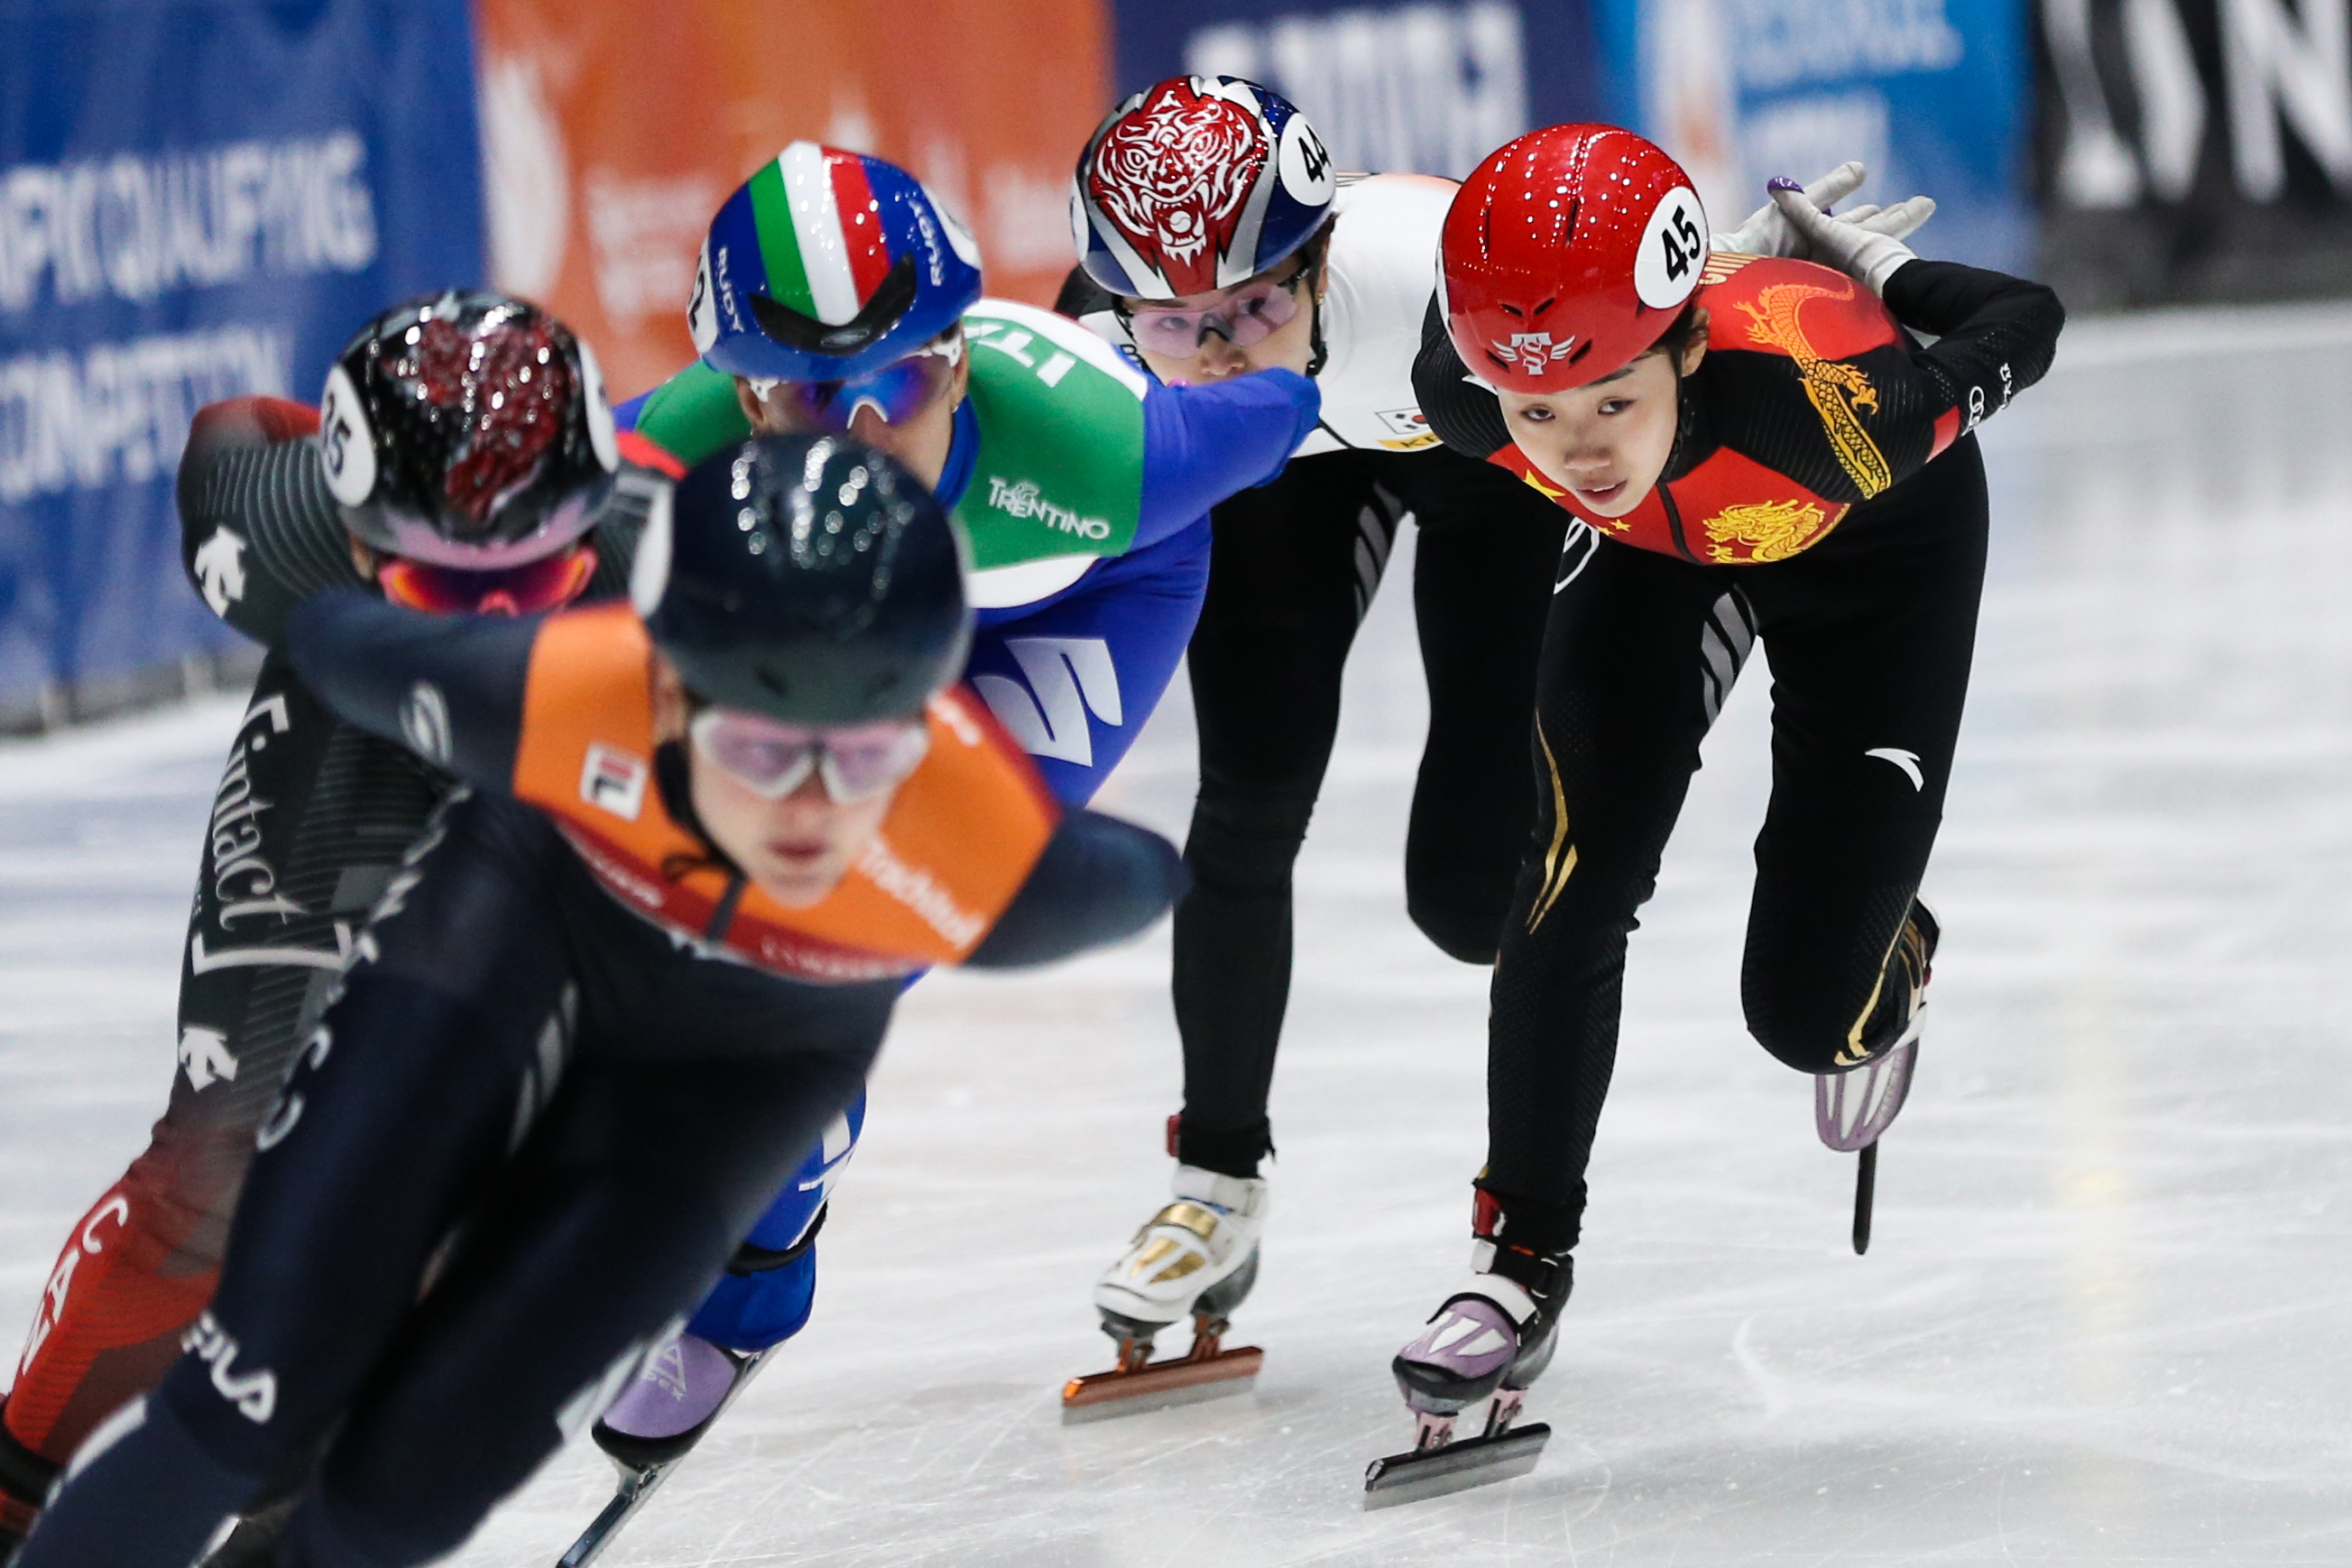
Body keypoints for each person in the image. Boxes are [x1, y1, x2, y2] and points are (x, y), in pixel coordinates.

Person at [12, 431, 1189, 1568]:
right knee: (251, 1387)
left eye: (871, 757)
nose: (814, 810)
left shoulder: (983, 856)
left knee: (400, 1504)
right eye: (767, 751)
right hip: (520, 935)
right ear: (667, 695)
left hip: (739, 1077)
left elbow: (1155, 878)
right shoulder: (564, 693)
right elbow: (329, 631)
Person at [1055, 80, 1923, 1389]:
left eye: (1257, 306)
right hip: (1279, 482)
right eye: (1174, 325)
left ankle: (1855, 928)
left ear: (1323, 253)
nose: (1221, 351)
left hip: (1479, 469)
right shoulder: (1095, 353)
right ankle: (1213, 1179)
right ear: (1115, 310)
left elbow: (1625, 325)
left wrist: (1726, 291)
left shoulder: (1428, 269)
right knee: (1246, 789)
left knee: (1471, 899)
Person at [584, 141, 1319, 1458]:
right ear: (743, 403)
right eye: (816, 401)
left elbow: (1304, 393)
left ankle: (753, 1272)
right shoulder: (647, 470)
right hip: (847, 618)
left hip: (1081, 601)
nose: (869, 433)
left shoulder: (1117, 459)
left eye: (905, 378)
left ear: (965, 354)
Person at [1379, 125, 2063, 1472]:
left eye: (1609, 400)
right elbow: (1522, 392)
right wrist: (1597, 413)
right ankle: (1514, 1262)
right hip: (1657, 560)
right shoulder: (1472, 394)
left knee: (1802, 1012)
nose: (1576, 448)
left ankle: (1892, 951)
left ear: (1687, 346)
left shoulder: (1834, 409)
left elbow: (2024, 319)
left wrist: (1889, 278)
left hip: (1874, 550)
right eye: (1539, 414)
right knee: (1565, 879)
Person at [0, 291, 647, 1549]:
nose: (493, 622)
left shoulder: (670, 562)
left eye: (533, 575)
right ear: (349, 532)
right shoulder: (266, 527)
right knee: (213, 1176)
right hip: (350, 752)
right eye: (447, 580)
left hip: (554, 772)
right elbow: (238, 437)